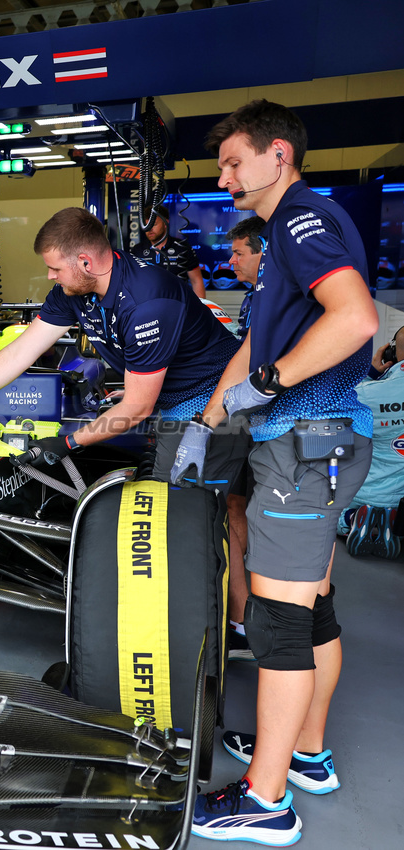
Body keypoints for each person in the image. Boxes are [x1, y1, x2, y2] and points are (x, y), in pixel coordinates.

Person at [179, 99, 376, 846]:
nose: (224, 177)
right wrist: (209, 418)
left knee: (277, 624)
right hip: (313, 443)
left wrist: (271, 382)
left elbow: (354, 319)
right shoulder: (280, 237)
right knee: (311, 610)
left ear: (277, 157)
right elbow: (256, 348)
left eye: (233, 162)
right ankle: (304, 754)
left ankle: (265, 800)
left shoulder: (300, 219)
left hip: (305, 446)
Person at [0, 208, 246, 495]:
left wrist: (68, 442)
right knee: (207, 510)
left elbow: (137, 407)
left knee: (182, 511)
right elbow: (21, 351)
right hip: (171, 397)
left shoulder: (147, 303)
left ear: (85, 262)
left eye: (54, 268)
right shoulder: (71, 290)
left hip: (213, 399)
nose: (50, 275)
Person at [340, 325, 404, 556]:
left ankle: (352, 518)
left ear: (391, 353)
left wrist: (370, 374)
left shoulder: (365, 392)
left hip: (366, 491)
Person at [131, 204, 207, 298]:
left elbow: (196, 281)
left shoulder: (182, 247)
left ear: (165, 222)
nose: (149, 229)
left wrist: (201, 309)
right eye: (146, 225)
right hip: (148, 306)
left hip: (178, 305)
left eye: (154, 224)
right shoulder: (137, 250)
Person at [227, 215, 267, 337]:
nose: (231, 261)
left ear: (264, 252)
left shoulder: (278, 298)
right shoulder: (251, 295)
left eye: (238, 254)